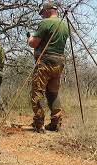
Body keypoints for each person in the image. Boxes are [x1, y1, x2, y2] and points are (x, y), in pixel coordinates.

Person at [27, 2, 69, 133]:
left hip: (45, 62)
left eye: (42, 13)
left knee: (38, 91)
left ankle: (39, 123)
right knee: (53, 93)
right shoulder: (64, 25)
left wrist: (29, 39)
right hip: (59, 63)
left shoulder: (45, 23)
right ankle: (56, 122)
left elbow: (34, 44)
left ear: (46, 11)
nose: (42, 16)